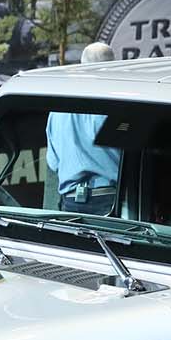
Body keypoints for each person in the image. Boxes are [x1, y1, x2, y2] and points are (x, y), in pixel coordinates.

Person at [45, 41, 120, 215]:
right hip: (112, 201)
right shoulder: (120, 104)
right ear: (113, 67)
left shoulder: (57, 110)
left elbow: (53, 163)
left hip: (70, 204)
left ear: (82, 66)